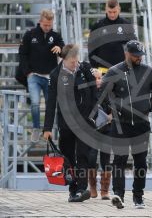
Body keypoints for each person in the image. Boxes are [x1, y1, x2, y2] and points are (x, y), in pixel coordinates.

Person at [101, 40, 152, 209]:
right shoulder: (114, 71)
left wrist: (150, 107)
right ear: (126, 53)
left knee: (141, 162)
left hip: (141, 124)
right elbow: (104, 93)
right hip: (120, 124)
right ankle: (118, 196)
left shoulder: (148, 71)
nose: (139, 58)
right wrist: (115, 107)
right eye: (135, 55)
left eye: (140, 55)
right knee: (120, 160)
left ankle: (138, 196)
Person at [43, 44, 97, 202]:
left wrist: (93, 113)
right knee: (68, 156)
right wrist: (47, 128)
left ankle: (81, 188)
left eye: (76, 60)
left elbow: (94, 91)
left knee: (83, 155)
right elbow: (51, 103)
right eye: (72, 62)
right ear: (63, 59)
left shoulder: (85, 69)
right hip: (66, 122)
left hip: (85, 120)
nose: (75, 64)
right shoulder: (55, 75)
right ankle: (73, 190)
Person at [19, 9, 64, 141]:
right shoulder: (30, 34)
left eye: (50, 25)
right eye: (45, 25)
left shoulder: (55, 35)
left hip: (50, 76)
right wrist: (27, 72)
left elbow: (63, 48)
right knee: (35, 103)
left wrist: (60, 49)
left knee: (51, 104)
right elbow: (22, 53)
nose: (47, 28)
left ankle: (47, 129)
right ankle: (36, 128)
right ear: (40, 22)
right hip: (34, 76)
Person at [88, 0, 136, 74]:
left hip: (122, 70)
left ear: (119, 10)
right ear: (106, 9)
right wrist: (94, 67)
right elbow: (91, 48)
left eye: (114, 12)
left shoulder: (126, 25)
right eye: (110, 12)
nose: (112, 14)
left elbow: (134, 47)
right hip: (102, 70)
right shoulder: (97, 26)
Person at [87, 69, 112, 200]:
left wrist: (111, 115)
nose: (98, 81)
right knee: (91, 158)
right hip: (92, 131)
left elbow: (114, 105)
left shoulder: (107, 91)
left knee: (106, 159)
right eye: (95, 78)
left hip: (107, 129)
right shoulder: (87, 93)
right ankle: (92, 187)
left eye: (100, 78)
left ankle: (105, 190)